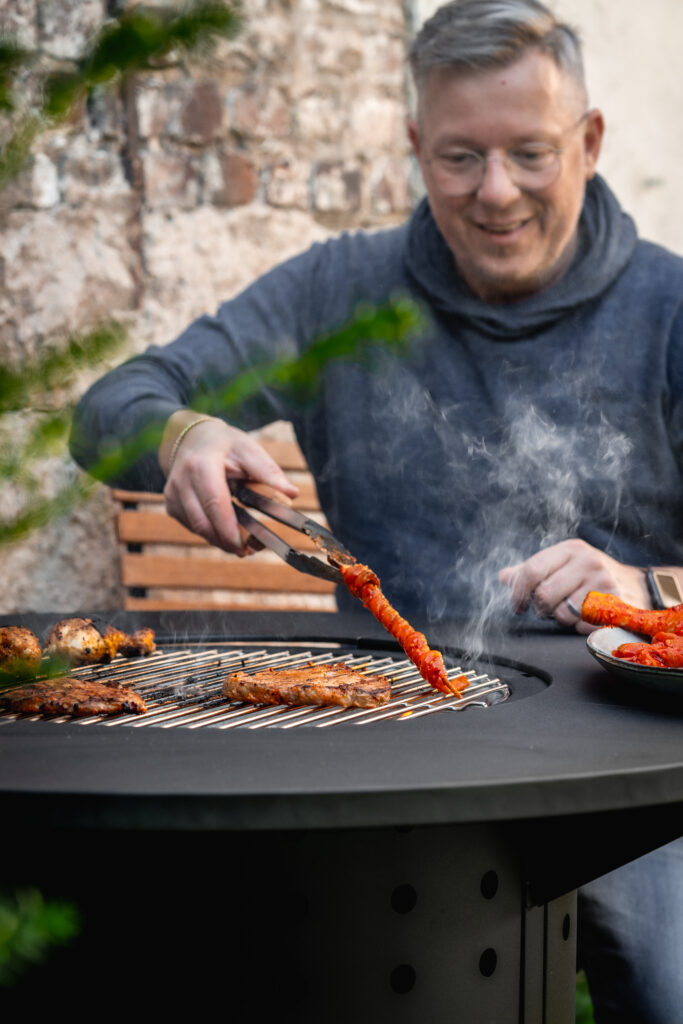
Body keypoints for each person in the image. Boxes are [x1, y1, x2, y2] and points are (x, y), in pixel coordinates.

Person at [71, 1, 683, 1020]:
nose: (494, 193)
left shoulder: (668, 312)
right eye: (457, 158)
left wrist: (647, 586)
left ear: (587, 141)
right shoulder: (338, 291)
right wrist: (183, 437)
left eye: (529, 153)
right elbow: (108, 410)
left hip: (625, 759)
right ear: (413, 148)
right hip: (376, 731)